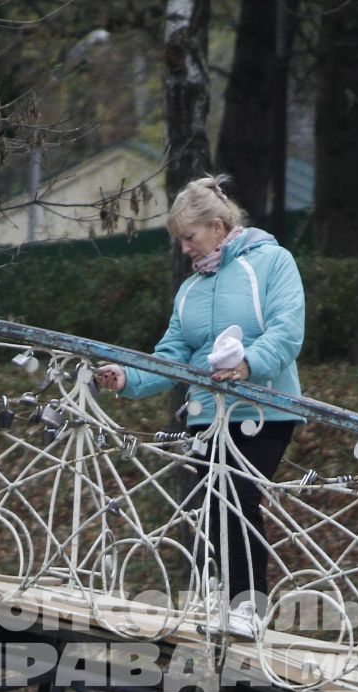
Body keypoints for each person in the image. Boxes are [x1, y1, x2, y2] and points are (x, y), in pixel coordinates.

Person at [94, 175, 306, 638]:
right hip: (206, 415)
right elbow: (172, 355)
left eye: (189, 237)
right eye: (180, 240)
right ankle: (224, 597)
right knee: (210, 507)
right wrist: (128, 377)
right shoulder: (191, 289)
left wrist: (249, 365)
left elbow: (287, 330)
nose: (184, 248)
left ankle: (248, 606)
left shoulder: (272, 262)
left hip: (263, 412)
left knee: (238, 499)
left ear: (216, 225)